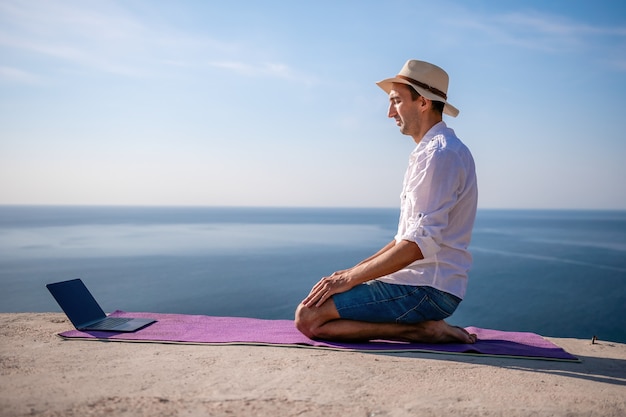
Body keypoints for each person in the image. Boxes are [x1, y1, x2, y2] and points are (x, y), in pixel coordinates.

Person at [295, 60, 478, 344]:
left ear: (423, 103)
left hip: (427, 289)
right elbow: (404, 238)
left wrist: (349, 280)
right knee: (317, 305)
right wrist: (350, 274)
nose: (390, 112)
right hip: (421, 283)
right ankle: (422, 328)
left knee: (309, 318)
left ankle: (420, 331)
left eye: (396, 101)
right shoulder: (433, 152)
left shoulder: (439, 155)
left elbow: (419, 244)